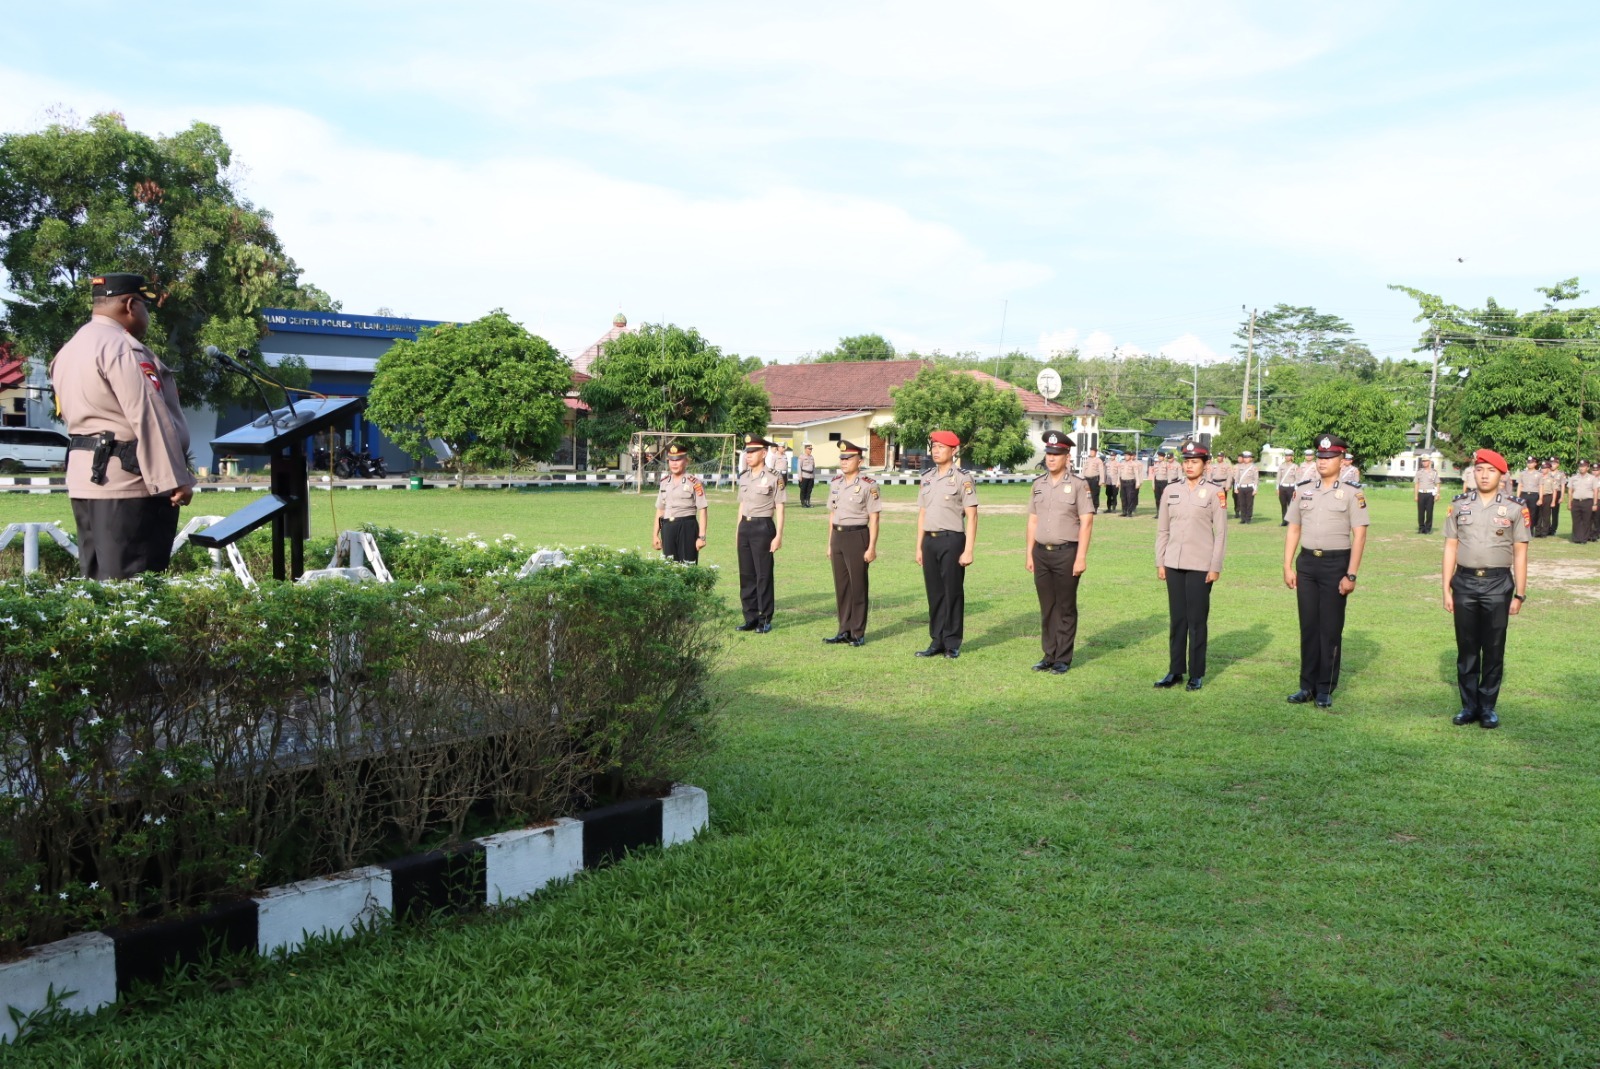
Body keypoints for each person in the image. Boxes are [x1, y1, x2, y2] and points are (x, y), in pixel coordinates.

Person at [50, 273, 194, 581]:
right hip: (130, 487)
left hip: (86, 481)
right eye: (145, 307)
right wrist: (176, 478)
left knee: (99, 586)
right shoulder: (123, 348)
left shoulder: (69, 350)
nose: (146, 316)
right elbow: (148, 415)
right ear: (131, 305)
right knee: (136, 590)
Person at [1442, 449, 1529, 729]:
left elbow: (1520, 552)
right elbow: (1450, 547)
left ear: (1502, 475)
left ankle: (1488, 707)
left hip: (1497, 584)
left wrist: (1520, 593)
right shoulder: (1459, 505)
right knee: (1467, 647)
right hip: (1464, 582)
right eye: (1479, 469)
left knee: (1493, 647)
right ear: (1473, 473)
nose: (1484, 475)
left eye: (1490, 470)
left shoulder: (1515, 508)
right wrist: (1445, 588)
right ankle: (1469, 706)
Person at [1284, 434, 1370, 710]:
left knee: (1330, 629)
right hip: (1307, 564)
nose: (1323, 462)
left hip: (1336, 565)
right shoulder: (1304, 489)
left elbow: (1359, 535)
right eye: (1320, 458)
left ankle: (1325, 687)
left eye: (1329, 457)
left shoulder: (1352, 493)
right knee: (1308, 627)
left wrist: (1352, 574)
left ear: (1342, 461)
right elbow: (1294, 528)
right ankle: (1306, 685)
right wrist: (1287, 565)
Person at [1154, 441, 1227, 691]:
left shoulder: (1216, 493)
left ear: (1205, 465)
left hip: (1200, 565)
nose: (1189, 465)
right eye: (1186, 461)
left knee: (1197, 621)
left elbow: (1221, 533)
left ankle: (1196, 673)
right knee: (1177, 620)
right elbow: (1163, 529)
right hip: (1173, 563)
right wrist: (1160, 561)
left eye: (1195, 461)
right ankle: (1175, 671)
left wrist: (1215, 566)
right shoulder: (1170, 491)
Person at [1025, 430, 1095, 674]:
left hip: (1067, 553)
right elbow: (1033, 520)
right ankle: (1048, 654)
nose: (1051, 458)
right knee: (1047, 606)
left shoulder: (1078, 485)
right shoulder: (1038, 484)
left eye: (1057, 454)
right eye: (1048, 454)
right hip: (1041, 553)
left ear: (1067, 456)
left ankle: (1063, 657)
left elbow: (1086, 522)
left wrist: (1081, 557)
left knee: (1065, 606)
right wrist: (1029, 553)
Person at [915, 430, 978, 659]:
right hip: (929, 541)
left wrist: (968, 549)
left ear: (953, 450)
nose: (936, 450)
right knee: (935, 593)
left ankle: (952, 642)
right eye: (934, 447)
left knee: (952, 592)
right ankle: (936, 641)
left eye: (941, 447)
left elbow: (972, 516)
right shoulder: (927, 477)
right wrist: (918, 546)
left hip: (952, 540)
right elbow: (922, 514)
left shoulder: (963, 478)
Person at [823, 440, 881, 646]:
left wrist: (871, 546)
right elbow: (832, 514)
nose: (844, 461)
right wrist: (830, 543)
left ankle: (857, 632)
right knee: (842, 587)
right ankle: (843, 629)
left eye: (849, 458)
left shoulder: (868, 484)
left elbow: (874, 517)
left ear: (860, 460)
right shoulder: (836, 483)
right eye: (842, 458)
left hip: (857, 536)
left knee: (858, 586)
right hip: (838, 536)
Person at [734, 436, 786, 632]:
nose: (748, 456)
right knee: (746, 574)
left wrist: (778, 535)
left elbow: (780, 507)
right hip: (745, 526)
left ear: (763, 453)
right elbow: (742, 505)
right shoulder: (745, 476)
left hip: (763, 527)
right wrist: (737, 530)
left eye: (752, 452)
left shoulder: (774, 477)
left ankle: (764, 619)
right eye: (747, 452)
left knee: (763, 575)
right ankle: (750, 617)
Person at [652, 442, 708, 563]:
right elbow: (660, 509)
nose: (674, 463)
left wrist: (701, 537)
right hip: (667, 527)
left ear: (686, 461)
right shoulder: (664, 482)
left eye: (678, 460)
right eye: (671, 460)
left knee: (688, 564)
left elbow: (702, 509)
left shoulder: (694, 482)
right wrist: (655, 535)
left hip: (687, 526)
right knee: (669, 566)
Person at [1570, 460, 1597, 544]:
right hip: (1576, 501)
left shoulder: (1592, 478)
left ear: (1588, 467)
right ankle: (1576, 538)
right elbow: (1570, 490)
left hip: (1587, 501)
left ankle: (1584, 539)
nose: (1581, 468)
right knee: (1576, 520)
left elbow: (1595, 491)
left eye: (1584, 466)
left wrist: (1595, 504)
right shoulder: (1574, 477)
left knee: (1586, 521)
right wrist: (1569, 502)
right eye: (1580, 466)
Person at [1414, 456, 1441, 535]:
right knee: (1421, 512)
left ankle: (1428, 528)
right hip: (1421, 493)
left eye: (1426, 461)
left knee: (1429, 512)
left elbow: (1438, 483)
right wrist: (1416, 495)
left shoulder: (1434, 472)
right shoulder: (1419, 472)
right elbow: (1416, 484)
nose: (1424, 462)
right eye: (1423, 461)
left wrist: (1437, 494)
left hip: (1430, 494)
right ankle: (1421, 528)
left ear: (1429, 462)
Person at [1276, 452, 1301, 527]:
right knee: (1283, 505)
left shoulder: (1295, 466)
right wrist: (1277, 488)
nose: (1287, 457)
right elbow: (1278, 478)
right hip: (1282, 487)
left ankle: (1292, 522)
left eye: (1289, 456)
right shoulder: (1281, 466)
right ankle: (1284, 521)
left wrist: (1296, 489)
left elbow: (1297, 478)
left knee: (1291, 505)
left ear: (1292, 457)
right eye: (1286, 456)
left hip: (1291, 487)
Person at [1233, 451, 1259, 524]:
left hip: (1250, 487)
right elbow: (1237, 478)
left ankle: (1248, 518)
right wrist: (1236, 488)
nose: (1245, 459)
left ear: (1250, 458)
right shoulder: (1239, 466)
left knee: (1249, 504)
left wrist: (1255, 489)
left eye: (1247, 458)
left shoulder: (1254, 467)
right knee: (1242, 503)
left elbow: (1256, 479)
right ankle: (1243, 518)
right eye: (1244, 457)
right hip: (1241, 487)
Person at [1535, 461, 1558, 538]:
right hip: (1538, 496)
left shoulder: (1552, 479)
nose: (1542, 469)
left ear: (1548, 469)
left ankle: (1545, 532)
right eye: (1542, 468)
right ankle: (1537, 532)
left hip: (1547, 497)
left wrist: (1553, 501)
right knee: (1538, 515)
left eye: (1545, 468)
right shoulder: (1538, 477)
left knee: (1546, 516)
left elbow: (1554, 491)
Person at [1079, 447, 1106, 513]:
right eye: (1090, 451)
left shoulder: (1098, 460)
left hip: (1094, 479)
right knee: (1087, 494)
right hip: (1087, 479)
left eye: (1092, 451)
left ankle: (1094, 508)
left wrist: (1101, 480)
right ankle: (1087, 507)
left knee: (1094, 494)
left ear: (1095, 452)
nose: (1091, 453)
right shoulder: (1088, 460)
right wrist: (1082, 477)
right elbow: (1084, 469)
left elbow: (1101, 471)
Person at [1119, 452, 1143, 517]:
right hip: (1123, 481)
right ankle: (1124, 511)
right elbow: (1119, 473)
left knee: (1130, 497)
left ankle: (1129, 512)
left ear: (1130, 456)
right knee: (1123, 497)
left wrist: (1138, 482)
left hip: (1130, 482)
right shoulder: (1122, 463)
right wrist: (1118, 481)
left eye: (1127, 455)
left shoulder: (1134, 464)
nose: (1126, 457)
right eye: (1125, 455)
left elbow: (1136, 474)